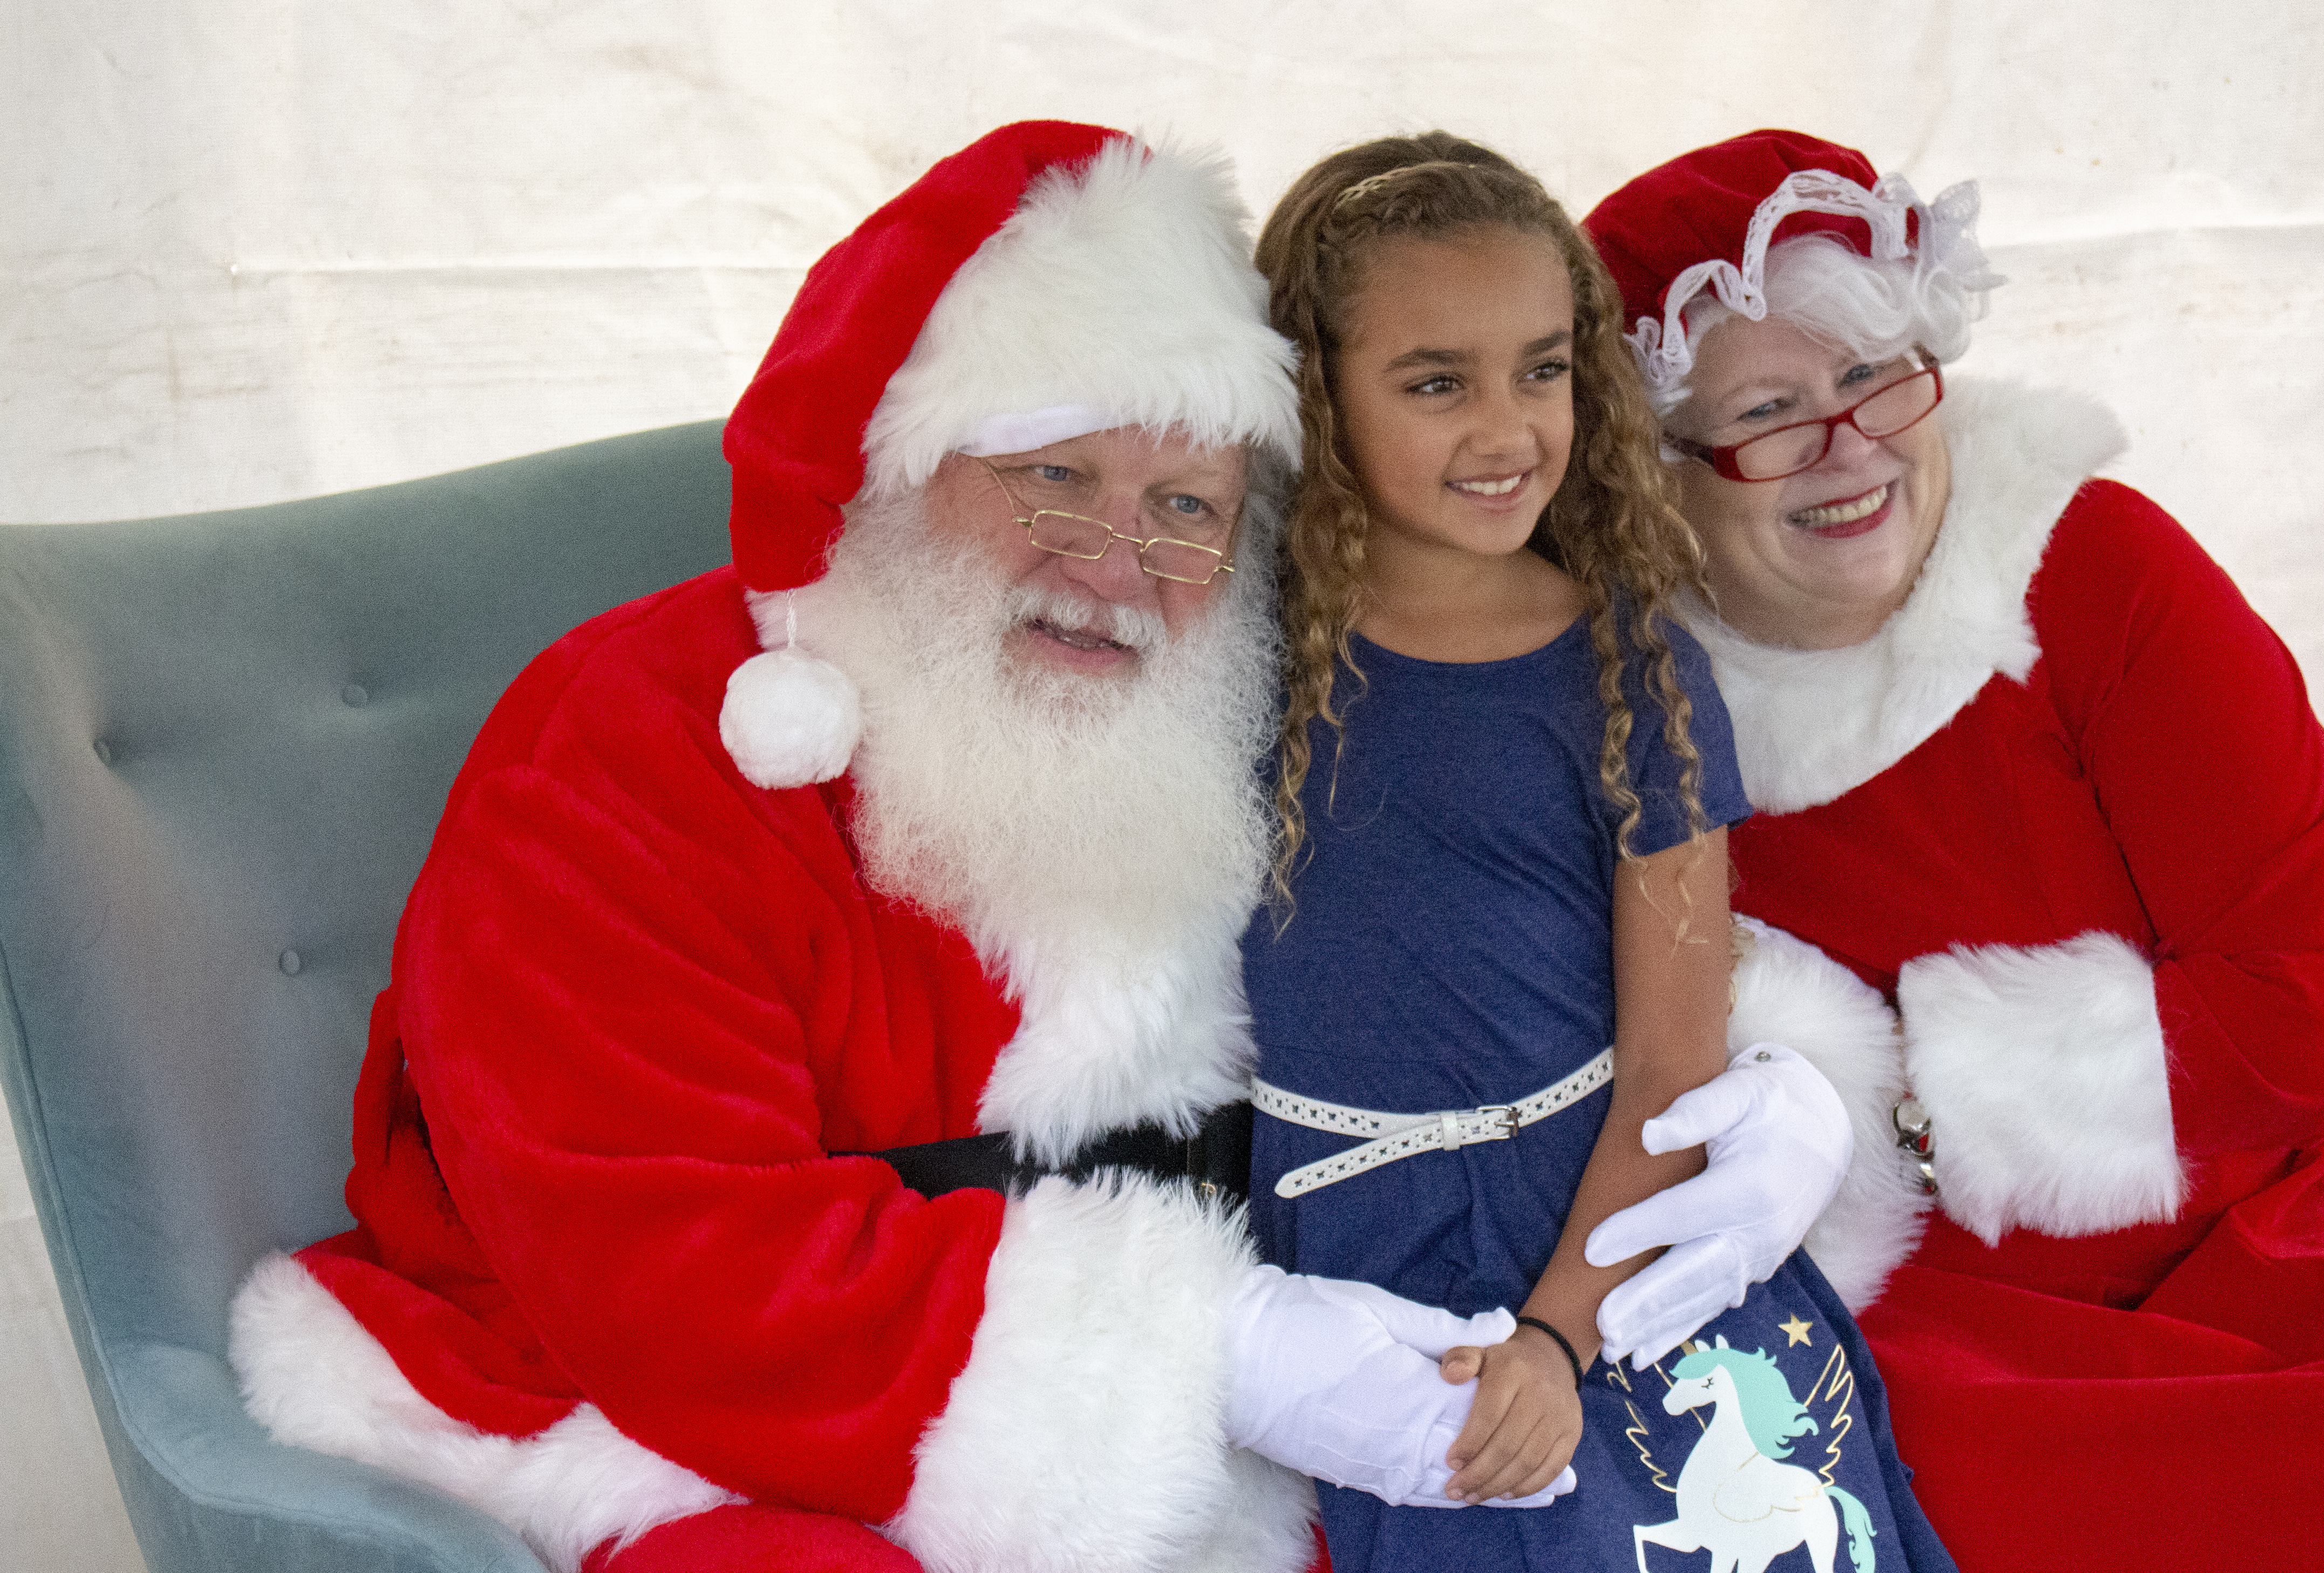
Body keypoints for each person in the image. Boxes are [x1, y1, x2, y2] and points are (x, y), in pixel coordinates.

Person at [222, 120, 1591, 1573]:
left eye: (1186, 509)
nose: (1116, 563)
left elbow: (1490, 977)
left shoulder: (1240, 729)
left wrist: (1729, 1074)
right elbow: (661, 1254)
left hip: (1175, 1426)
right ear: (898, 464)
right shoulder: (633, 735)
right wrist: (1226, 1346)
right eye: (1057, 476)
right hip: (654, 1413)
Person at [1579, 129, 2324, 1571]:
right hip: (1901, 1292)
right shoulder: (1620, 704)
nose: (1848, 444)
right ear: (1661, 473)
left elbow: (2311, 989)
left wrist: (1904, 1095)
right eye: (1771, 412)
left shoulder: (2093, 568)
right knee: (1891, 1493)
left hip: (2241, 1226)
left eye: (1873, 377)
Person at [1237, 132, 1955, 1573]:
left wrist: (1563, 1337)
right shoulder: (1232, 667)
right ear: (1316, 392)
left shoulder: (1631, 671)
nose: (1508, 428)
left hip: (1612, 1246)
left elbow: (1672, 1064)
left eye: (1544, 368)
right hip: (1353, 1281)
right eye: (1437, 381)